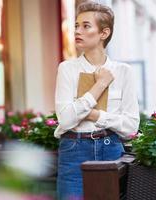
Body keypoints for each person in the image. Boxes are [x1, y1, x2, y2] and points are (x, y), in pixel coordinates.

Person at [54, 1, 140, 199]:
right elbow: (66, 120)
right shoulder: (67, 69)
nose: (78, 31)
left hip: (111, 149)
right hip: (73, 150)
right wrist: (100, 84)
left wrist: (93, 114)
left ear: (104, 33)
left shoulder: (123, 72)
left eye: (86, 26)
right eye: (76, 25)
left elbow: (131, 127)